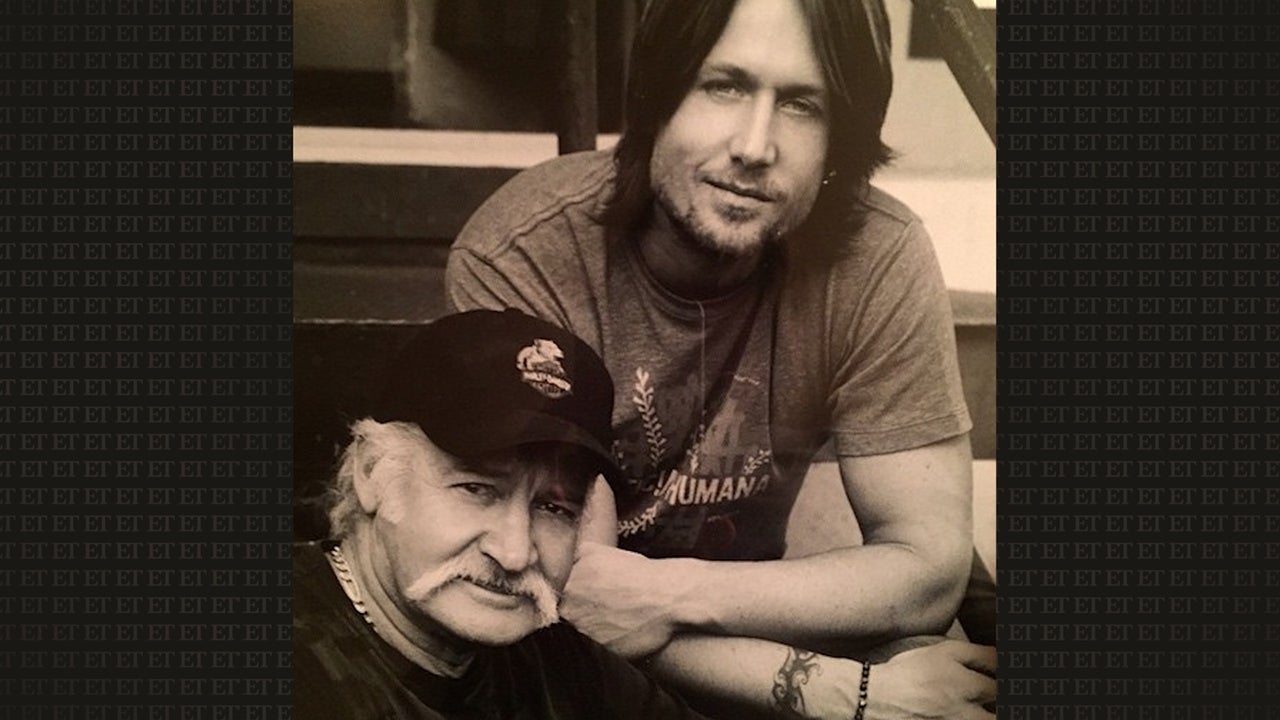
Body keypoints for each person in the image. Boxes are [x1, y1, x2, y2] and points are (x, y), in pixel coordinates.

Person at [445, 0, 996, 717]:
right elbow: (573, 593)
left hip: (739, 632)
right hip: (554, 666)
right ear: (659, 96)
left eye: (801, 104)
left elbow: (927, 570)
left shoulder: (877, 258)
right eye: (724, 85)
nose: (755, 145)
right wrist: (842, 692)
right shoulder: (532, 254)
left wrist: (677, 593)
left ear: (840, 140)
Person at [293, 309, 708, 718]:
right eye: (476, 489)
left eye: (554, 508)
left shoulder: (554, 658)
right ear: (371, 472)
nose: (514, 553)